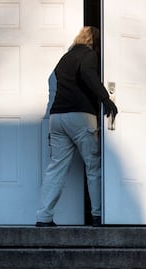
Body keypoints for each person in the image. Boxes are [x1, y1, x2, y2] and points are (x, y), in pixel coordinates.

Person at [36, 26, 118, 227]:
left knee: (56, 168)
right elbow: (88, 75)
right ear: (95, 42)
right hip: (80, 117)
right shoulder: (88, 55)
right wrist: (106, 100)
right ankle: (98, 216)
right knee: (93, 167)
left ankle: (43, 217)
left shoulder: (65, 58)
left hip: (57, 118)